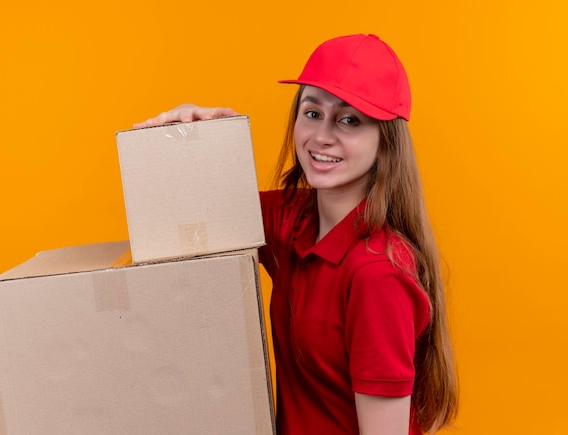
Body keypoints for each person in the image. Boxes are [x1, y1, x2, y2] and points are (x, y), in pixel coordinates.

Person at [135, 33, 458, 435]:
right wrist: (194, 133)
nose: (322, 136)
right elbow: (195, 210)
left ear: (385, 142)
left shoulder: (378, 274)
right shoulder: (295, 222)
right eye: (311, 112)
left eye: (349, 120)